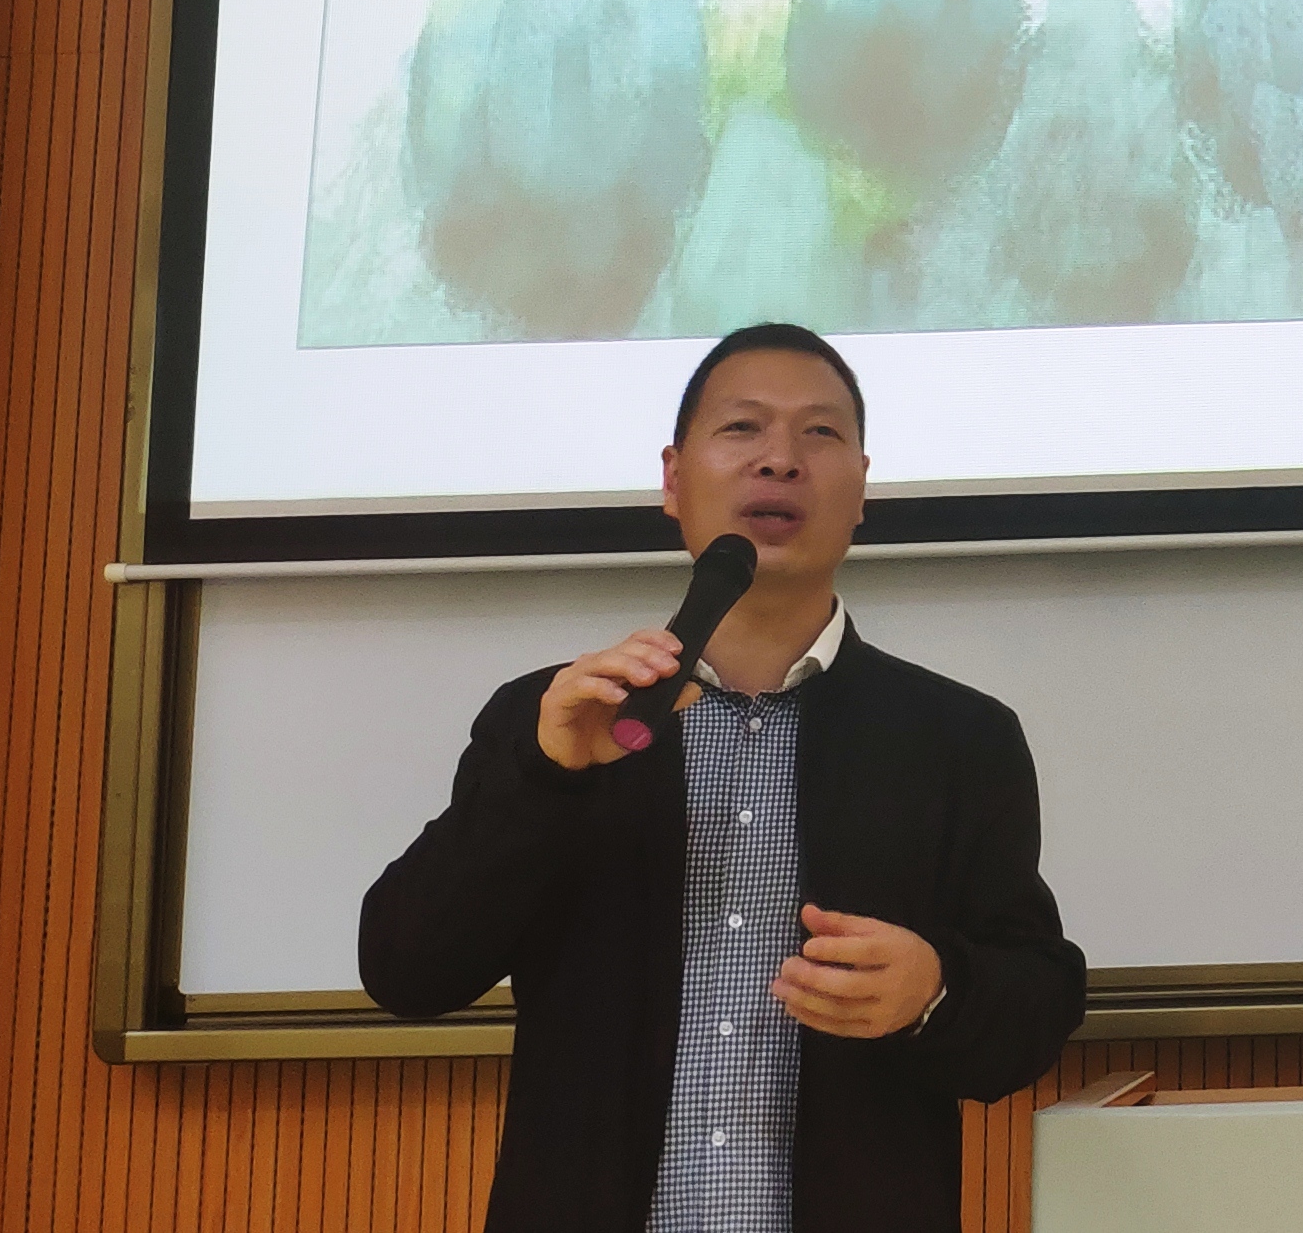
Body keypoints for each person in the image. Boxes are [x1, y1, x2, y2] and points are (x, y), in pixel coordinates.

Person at [362, 321, 1086, 1233]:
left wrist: (934, 991)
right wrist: (544, 777)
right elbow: (407, 970)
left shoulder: (957, 739)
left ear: (863, 488)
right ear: (673, 479)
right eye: (742, 428)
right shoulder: (556, 718)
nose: (780, 459)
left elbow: (1035, 1006)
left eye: (820, 433)